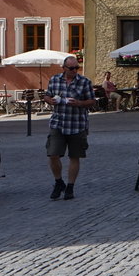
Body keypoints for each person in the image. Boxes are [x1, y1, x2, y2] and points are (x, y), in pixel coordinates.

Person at [41, 56, 94, 200]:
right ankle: (59, 182)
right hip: (58, 123)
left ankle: (70, 187)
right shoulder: (54, 80)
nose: (75, 71)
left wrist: (79, 103)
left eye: (77, 68)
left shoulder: (84, 82)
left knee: (74, 156)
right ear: (64, 68)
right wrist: (50, 101)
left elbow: (91, 101)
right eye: (71, 68)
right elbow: (46, 96)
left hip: (77, 124)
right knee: (52, 154)